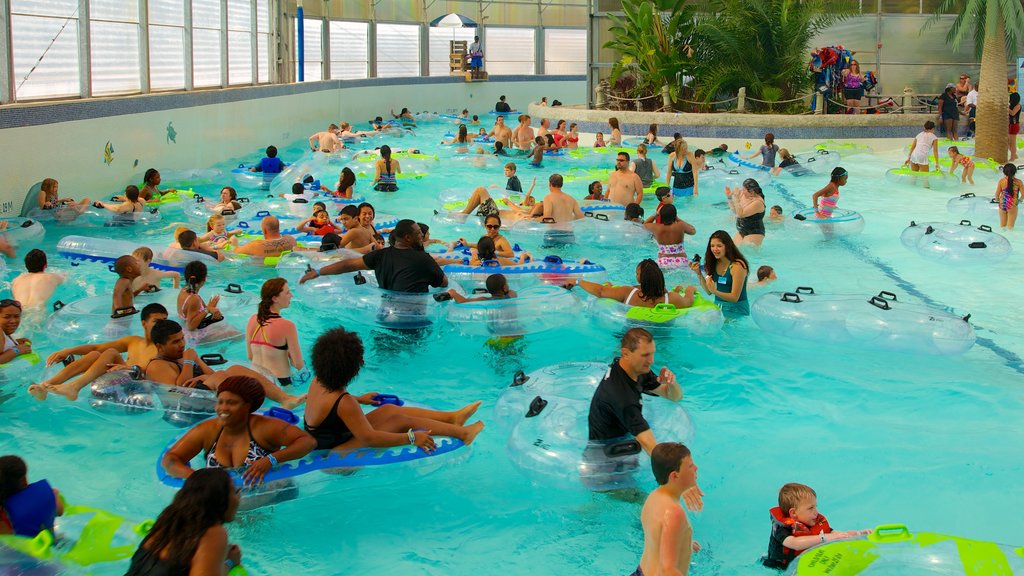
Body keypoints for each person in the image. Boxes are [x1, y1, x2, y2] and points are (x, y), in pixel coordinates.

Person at [302, 327, 484, 452]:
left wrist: (361, 399)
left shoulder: (318, 380)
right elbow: (370, 439)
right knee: (398, 421)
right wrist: (411, 438)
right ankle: (464, 433)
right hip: (335, 453)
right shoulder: (344, 402)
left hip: (331, 438)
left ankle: (452, 418)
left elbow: (327, 404)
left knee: (389, 410)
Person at [161, 375, 315, 485]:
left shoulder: (264, 427)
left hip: (272, 497)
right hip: (228, 505)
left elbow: (307, 442)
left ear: (248, 405)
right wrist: (195, 477)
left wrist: (271, 459)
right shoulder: (208, 430)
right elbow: (170, 459)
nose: (223, 408)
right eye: (220, 402)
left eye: (231, 403)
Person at [144, 319, 305, 409]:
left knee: (233, 369)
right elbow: (176, 394)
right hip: (186, 408)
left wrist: (198, 365)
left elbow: (211, 375)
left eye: (181, 339)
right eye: (175, 342)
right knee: (221, 375)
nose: (181, 344)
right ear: (159, 346)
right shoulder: (158, 366)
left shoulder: (182, 354)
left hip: (202, 394)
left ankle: (285, 398)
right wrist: (188, 360)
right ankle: (246, 412)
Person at [27, 303, 168, 401]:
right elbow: (96, 348)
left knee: (111, 352)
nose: (162, 325)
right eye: (157, 321)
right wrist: (69, 350)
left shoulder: (163, 347)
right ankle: (45, 386)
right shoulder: (134, 341)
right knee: (95, 354)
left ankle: (74, 387)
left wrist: (129, 367)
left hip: (139, 388)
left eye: (164, 321)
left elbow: (160, 373)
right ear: (144, 323)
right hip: (120, 381)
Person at [124, 468, 244, 575]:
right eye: (235, 491)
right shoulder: (214, 533)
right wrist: (230, 563)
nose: (238, 497)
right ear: (220, 500)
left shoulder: (169, 518)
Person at [299, 219, 447, 292]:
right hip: (413, 324)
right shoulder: (423, 259)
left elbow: (348, 264)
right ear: (408, 238)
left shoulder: (379, 255)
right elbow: (443, 283)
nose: (421, 236)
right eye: (419, 234)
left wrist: (318, 272)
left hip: (385, 317)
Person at [762, 483, 873, 569]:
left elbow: (837, 534)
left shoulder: (813, 521)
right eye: (811, 508)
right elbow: (794, 544)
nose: (816, 512)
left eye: (816, 507)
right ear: (793, 513)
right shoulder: (782, 529)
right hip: (779, 568)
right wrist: (824, 538)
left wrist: (858, 534)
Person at [632, 443, 700, 576]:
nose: (696, 468)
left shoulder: (653, 497)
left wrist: (683, 543)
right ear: (675, 476)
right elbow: (668, 570)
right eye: (690, 466)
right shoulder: (674, 512)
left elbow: (657, 537)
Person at [568, 259, 696, 309]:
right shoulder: (671, 298)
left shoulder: (628, 293)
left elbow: (600, 291)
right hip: (661, 337)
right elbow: (688, 301)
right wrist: (689, 290)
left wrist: (577, 281)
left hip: (631, 335)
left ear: (640, 278)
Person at [246, 278, 304, 386]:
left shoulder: (252, 319)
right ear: (275, 298)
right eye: (287, 292)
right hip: (279, 383)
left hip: (254, 381)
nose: (291, 295)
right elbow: (298, 364)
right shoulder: (287, 326)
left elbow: (250, 356)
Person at [0, 455, 63, 537]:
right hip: (52, 541)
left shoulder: (4, 514)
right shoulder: (48, 493)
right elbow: (60, 511)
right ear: (24, 480)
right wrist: (55, 494)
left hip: (22, 548)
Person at [690, 230, 749, 317]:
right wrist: (699, 274)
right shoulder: (714, 263)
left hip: (737, 310)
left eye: (719, 246)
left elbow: (734, 298)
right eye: (712, 246)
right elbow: (708, 291)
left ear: (727, 247)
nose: (715, 249)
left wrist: (715, 291)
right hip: (718, 307)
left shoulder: (737, 266)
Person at [644, 205, 696, 269]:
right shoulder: (680, 226)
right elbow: (693, 231)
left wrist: (656, 214)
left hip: (663, 262)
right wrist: (677, 218)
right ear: (675, 215)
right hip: (681, 262)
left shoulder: (656, 227)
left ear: (661, 215)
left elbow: (644, 224)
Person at [726, 178, 766, 247]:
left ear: (752, 191)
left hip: (755, 232)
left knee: (746, 253)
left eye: (744, 190)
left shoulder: (758, 202)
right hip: (742, 230)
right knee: (731, 249)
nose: (742, 191)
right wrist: (729, 198)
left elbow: (741, 214)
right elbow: (735, 211)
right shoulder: (744, 195)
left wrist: (736, 198)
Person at [905, 121, 939, 187]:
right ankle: (927, 193)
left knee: (914, 177)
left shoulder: (919, 134)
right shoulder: (934, 137)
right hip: (922, 156)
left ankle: (911, 190)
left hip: (914, 155)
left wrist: (908, 158)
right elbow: (935, 151)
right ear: (933, 129)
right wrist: (937, 163)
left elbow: (912, 147)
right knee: (925, 178)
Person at [0, 300, 32, 366]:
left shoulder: (4, 333)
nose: (13, 321)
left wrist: (14, 342)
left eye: (16, 316)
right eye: (7, 317)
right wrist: (17, 350)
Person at [997, 163, 1021, 230]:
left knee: (1003, 227)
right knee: (1010, 227)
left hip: (1002, 204)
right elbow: (1023, 195)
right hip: (1012, 204)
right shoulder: (1019, 182)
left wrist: (998, 200)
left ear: (1004, 172)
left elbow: (997, 194)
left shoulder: (1001, 181)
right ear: (1015, 171)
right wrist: (1020, 200)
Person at [1009, 92, 1021, 162]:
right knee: (1008, 142)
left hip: (1014, 125)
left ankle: (1012, 157)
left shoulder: (1018, 105)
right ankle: (1014, 154)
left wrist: (1007, 107)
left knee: (1012, 142)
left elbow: (1013, 113)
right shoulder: (1011, 105)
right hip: (1010, 124)